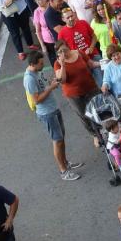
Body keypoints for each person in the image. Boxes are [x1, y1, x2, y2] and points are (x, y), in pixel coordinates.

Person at [23, 51, 81, 181]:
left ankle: (66, 162)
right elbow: (37, 100)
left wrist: (52, 83)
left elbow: (44, 85)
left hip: (53, 109)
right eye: (41, 63)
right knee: (57, 140)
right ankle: (63, 171)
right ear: (33, 64)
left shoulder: (37, 72)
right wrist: (50, 88)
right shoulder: (29, 79)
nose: (43, 65)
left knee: (61, 138)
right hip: (47, 113)